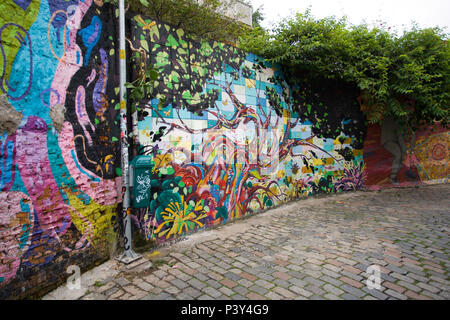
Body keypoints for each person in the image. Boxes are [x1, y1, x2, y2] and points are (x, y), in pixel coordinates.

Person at [381, 117, 407, 184]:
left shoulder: (392, 117)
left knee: (399, 155)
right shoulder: (398, 120)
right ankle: (392, 177)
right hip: (388, 140)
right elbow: (400, 137)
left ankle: (394, 177)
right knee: (398, 155)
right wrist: (405, 151)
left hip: (389, 139)